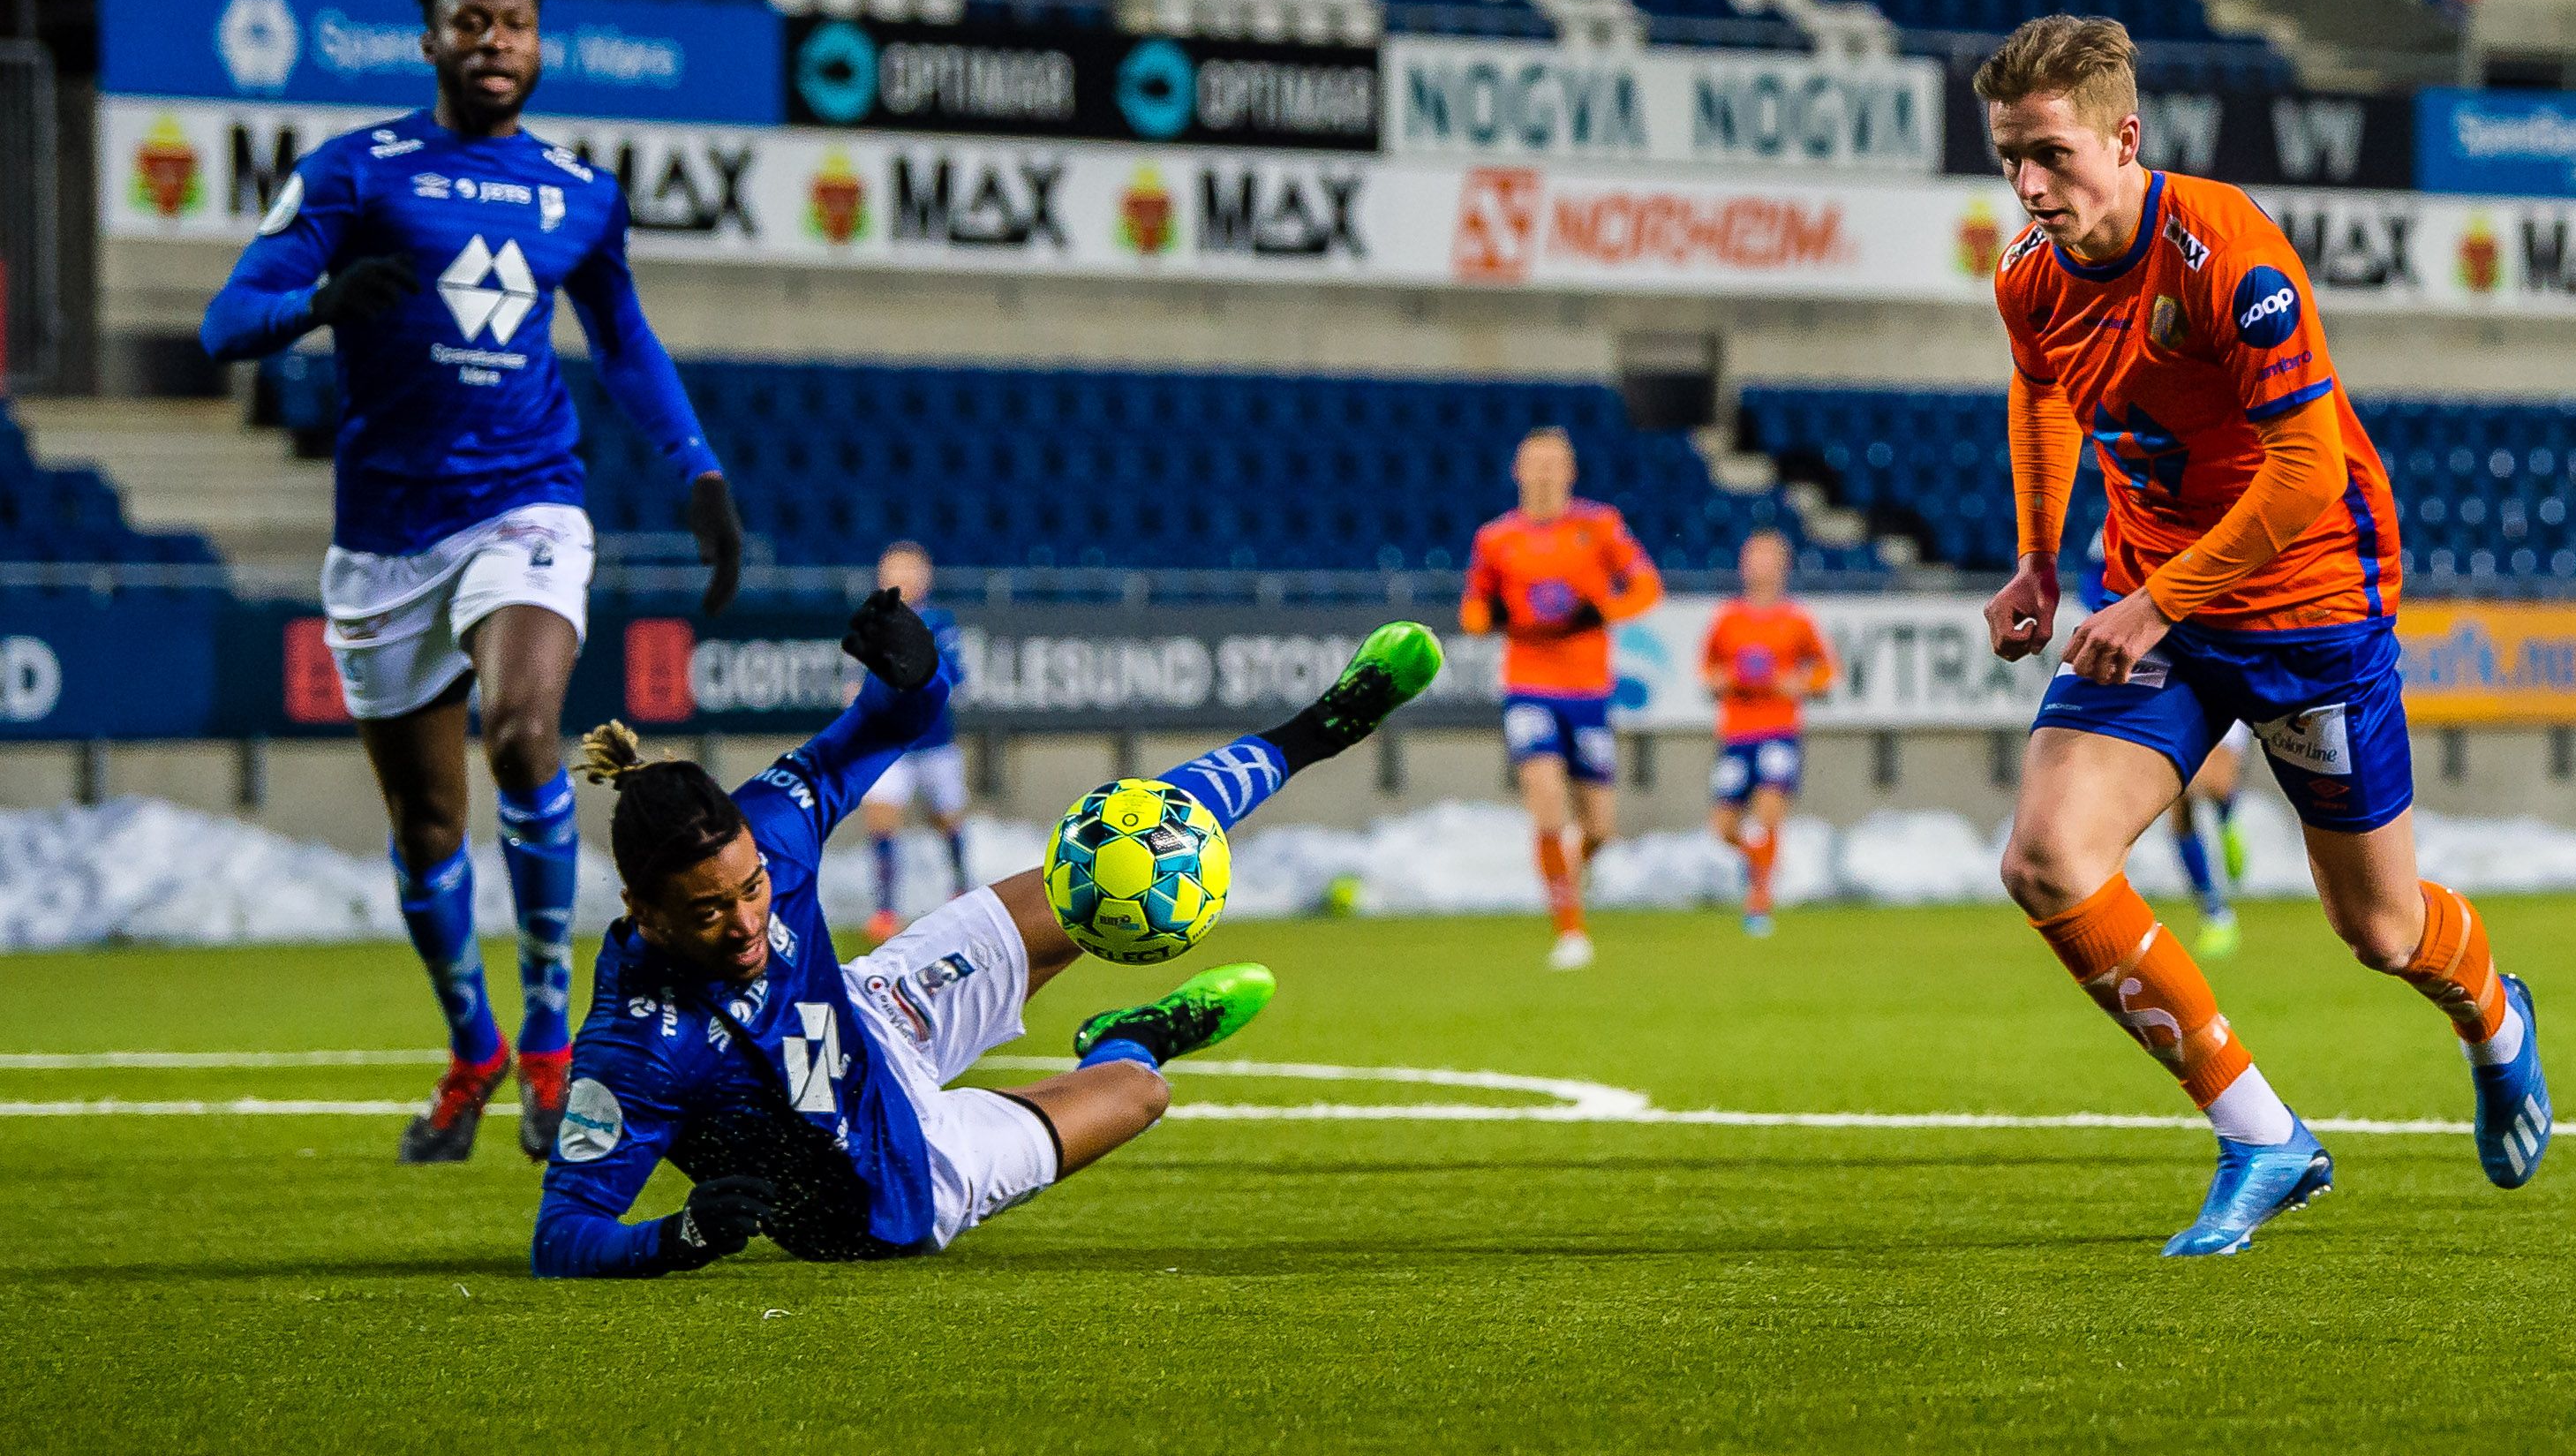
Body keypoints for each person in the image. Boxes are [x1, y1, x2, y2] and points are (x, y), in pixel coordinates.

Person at [1977, 14, 2550, 1257]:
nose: (2027, 184)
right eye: (2009, 156)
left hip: (2305, 604)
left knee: (2380, 932)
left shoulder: (2229, 255)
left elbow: (2305, 469)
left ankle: (2494, 1017)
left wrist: (2154, 603)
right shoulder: (2028, 272)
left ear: (2125, 139)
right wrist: (2038, 556)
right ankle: (2262, 1135)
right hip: (2158, 597)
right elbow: (2042, 389)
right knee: (2048, 858)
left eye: (2051, 154)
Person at [200, 0, 743, 1165]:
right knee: (427, 822)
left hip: (527, 502)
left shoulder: (580, 192)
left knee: (523, 734)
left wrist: (698, 469)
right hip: (385, 536)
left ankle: (550, 1043)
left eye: (517, 24)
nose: (496, 39)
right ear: (432, 42)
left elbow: (625, 340)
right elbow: (225, 320)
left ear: (540, 46)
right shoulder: (354, 170)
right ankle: (473, 1048)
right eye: (472, 22)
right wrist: (320, 301)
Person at [531, 598, 1443, 1276]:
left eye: (753, 889)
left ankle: (1321, 727)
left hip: (870, 1013)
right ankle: (1131, 1037)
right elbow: (562, 1237)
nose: (746, 923)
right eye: (708, 913)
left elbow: (889, 720)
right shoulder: (636, 1045)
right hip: (891, 1183)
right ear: (642, 910)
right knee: (1138, 1093)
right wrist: (677, 1238)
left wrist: (915, 672)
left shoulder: (769, 824)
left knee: (1109, 861)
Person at [1460, 426, 1663, 969]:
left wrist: (1602, 612)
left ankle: (1570, 871)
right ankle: (1570, 931)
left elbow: (1646, 586)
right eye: (1535, 463)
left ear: (1571, 472)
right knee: (1546, 798)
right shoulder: (1496, 539)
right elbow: (1472, 609)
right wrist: (1492, 618)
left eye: (1554, 463)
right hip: (1529, 687)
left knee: (1598, 828)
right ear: (1518, 472)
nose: (1545, 473)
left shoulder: (1600, 526)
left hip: (1588, 691)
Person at [2084, 524, 2245, 958]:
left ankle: (2228, 817)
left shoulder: (2213, 518)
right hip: (2167, 667)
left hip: (2222, 658)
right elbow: (2094, 585)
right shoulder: (2121, 524)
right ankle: (2216, 912)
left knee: (2216, 786)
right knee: (2181, 799)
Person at [1700, 529, 1834, 937]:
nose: (1759, 566)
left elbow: (1826, 672)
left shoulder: (1796, 620)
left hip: (1778, 731)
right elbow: (1707, 670)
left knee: (1766, 815)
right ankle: (1762, 865)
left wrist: (1799, 684)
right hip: (1736, 735)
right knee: (1723, 828)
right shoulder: (1728, 618)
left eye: (1767, 558)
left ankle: (1759, 900)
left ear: (1782, 567)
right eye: (1753, 557)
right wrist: (1721, 680)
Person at [852, 541, 969, 944]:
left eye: (909, 569)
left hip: (934, 742)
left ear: (925, 577)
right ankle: (886, 910)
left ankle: (962, 890)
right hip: (890, 743)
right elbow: (860, 679)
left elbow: (954, 677)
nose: (900, 577)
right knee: (881, 821)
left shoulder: (939, 623)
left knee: (947, 820)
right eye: (893, 569)